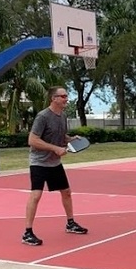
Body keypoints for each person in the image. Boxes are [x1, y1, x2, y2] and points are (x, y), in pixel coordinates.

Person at [22, 86, 87, 246]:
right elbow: (32, 140)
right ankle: (27, 233)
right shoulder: (42, 116)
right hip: (39, 162)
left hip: (54, 163)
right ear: (54, 98)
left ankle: (70, 223)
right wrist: (55, 148)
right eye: (63, 96)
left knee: (66, 192)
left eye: (66, 96)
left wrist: (70, 139)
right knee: (36, 195)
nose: (66, 99)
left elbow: (58, 135)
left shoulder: (62, 116)